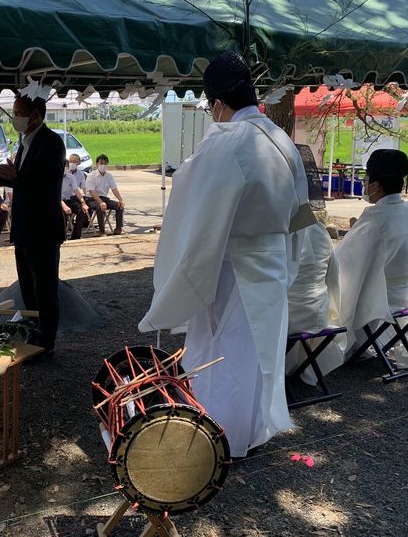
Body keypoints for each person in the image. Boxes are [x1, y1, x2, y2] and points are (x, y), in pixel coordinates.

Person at [138, 51, 311, 458]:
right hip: (272, 262)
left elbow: (191, 204)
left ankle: (214, 439)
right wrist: (291, 260)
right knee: (256, 354)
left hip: (232, 266)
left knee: (218, 353)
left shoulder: (229, 140)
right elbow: (302, 214)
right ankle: (249, 433)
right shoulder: (284, 140)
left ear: (217, 103)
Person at [0, 95, 65, 354]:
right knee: (28, 287)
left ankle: (47, 343)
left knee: (45, 288)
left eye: (18, 112)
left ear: (34, 115)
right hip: (23, 228)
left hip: (43, 228)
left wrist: (19, 176)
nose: (14, 117)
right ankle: (33, 333)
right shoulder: (25, 143)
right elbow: (19, 181)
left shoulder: (52, 143)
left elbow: (48, 183)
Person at [335, 149, 408, 370]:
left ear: (375, 185)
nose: (364, 183)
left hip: (378, 299)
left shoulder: (375, 221)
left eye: (367, 178)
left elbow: (343, 263)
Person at [286, 222, 344, 383]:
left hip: (289, 316)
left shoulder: (279, 231)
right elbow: (333, 273)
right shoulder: (319, 229)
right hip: (319, 309)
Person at [85, 154, 125, 236]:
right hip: (92, 199)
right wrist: (100, 202)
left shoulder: (109, 176)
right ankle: (102, 230)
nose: (103, 165)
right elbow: (92, 192)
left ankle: (118, 228)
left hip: (104, 198)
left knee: (119, 206)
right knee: (100, 207)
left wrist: (121, 199)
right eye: (101, 163)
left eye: (105, 163)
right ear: (97, 164)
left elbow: (114, 189)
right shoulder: (91, 176)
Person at [61, 158, 89, 240]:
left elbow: (76, 191)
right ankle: (62, 236)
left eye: (66, 166)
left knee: (82, 211)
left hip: (68, 200)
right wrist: (64, 206)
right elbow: (54, 195)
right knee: (62, 212)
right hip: (58, 202)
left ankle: (76, 236)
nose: (65, 168)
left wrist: (83, 203)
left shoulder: (70, 176)